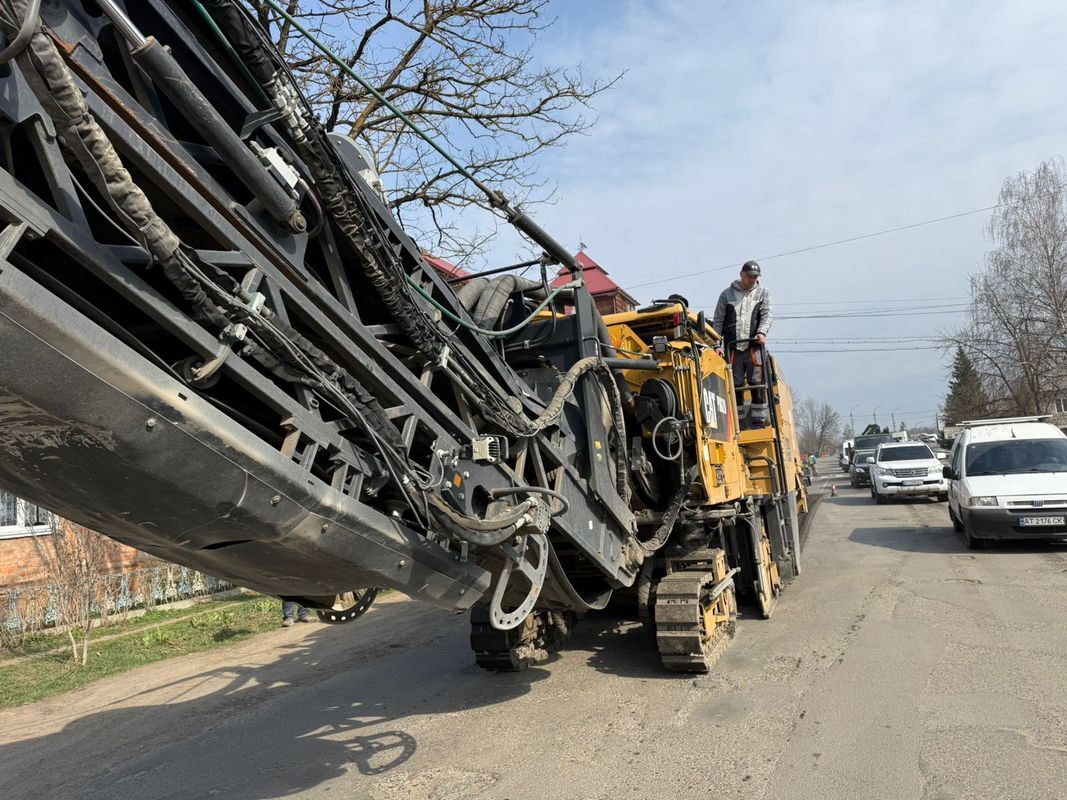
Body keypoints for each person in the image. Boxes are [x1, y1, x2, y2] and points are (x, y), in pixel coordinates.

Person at [712, 260, 774, 428]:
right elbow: (718, 321)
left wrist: (761, 332)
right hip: (733, 348)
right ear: (741, 274)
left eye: (755, 277)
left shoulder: (762, 293)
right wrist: (717, 344)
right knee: (735, 385)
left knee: (757, 383)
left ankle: (759, 422)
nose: (752, 280)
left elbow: (767, 315)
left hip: (753, 347)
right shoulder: (726, 295)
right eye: (750, 276)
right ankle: (739, 423)